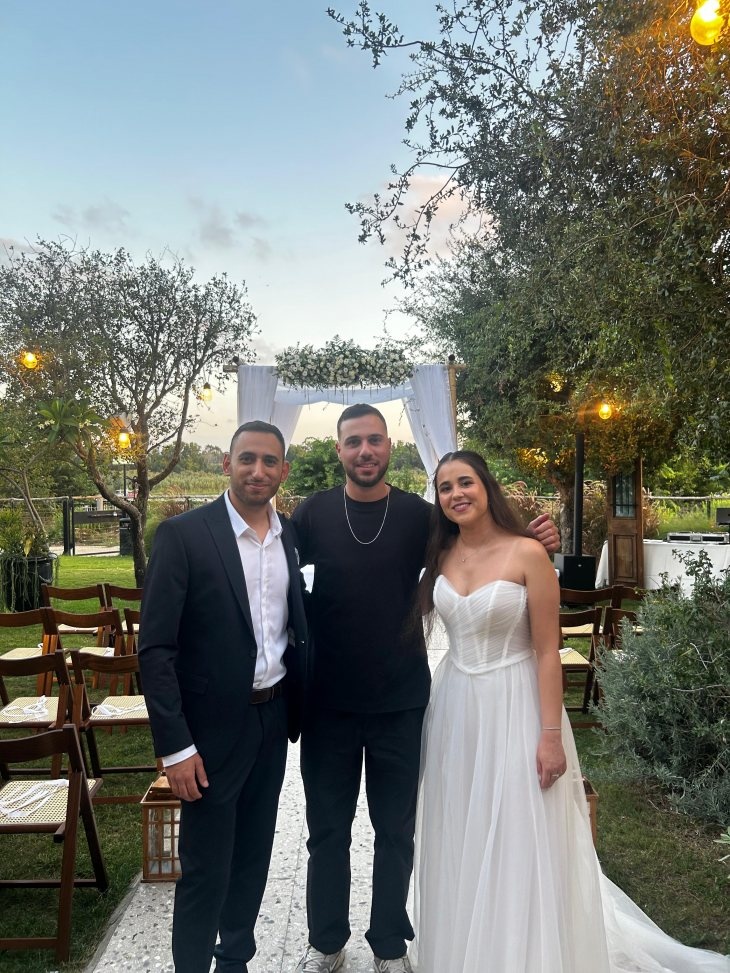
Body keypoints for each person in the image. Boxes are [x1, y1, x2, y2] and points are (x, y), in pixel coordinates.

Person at [409, 450, 730, 973]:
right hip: (455, 706)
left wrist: (551, 735)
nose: (456, 494)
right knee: (463, 823)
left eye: (465, 482)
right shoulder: (440, 556)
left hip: (515, 701)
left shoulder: (527, 553)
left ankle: (521, 951)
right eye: (445, 488)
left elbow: (546, 651)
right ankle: (466, 942)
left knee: (519, 827)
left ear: (487, 487)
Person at [291, 405, 560, 973]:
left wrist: (536, 539)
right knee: (327, 833)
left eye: (374, 440)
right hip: (327, 707)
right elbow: (272, 568)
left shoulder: (421, 517)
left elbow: (480, 546)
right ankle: (326, 942)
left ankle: (389, 944)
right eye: (353, 442)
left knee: (396, 832)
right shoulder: (312, 513)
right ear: (338, 450)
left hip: (401, 702)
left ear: (390, 447)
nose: (365, 451)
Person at [138, 420, 308, 973]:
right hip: (208, 735)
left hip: (272, 720)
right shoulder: (184, 536)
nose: (258, 470)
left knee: (253, 857)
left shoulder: (289, 537)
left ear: (283, 470)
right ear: (227, 464)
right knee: (206, 868)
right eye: (247, 459)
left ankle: (235, 960)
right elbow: (156, 649)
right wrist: (176, 747)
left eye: (269, 461)